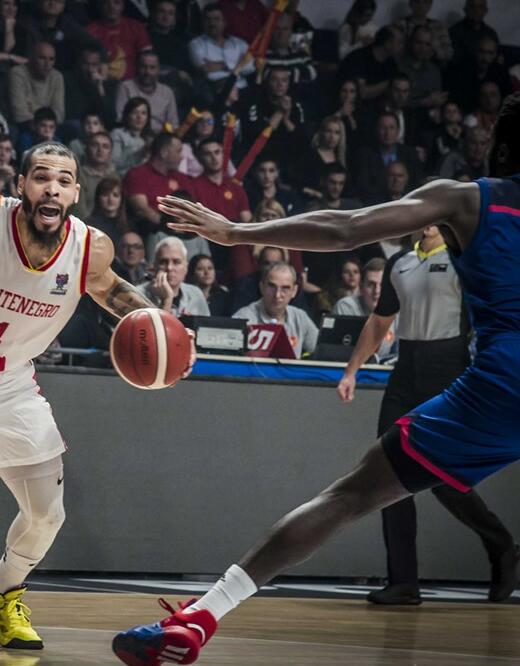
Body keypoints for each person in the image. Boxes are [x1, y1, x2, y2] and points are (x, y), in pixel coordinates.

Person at [112, 91, 520, 666]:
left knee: (349, 496)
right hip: (468, 371)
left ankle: (200, 617)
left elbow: (347, 228)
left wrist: (236, 233)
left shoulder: (467, 199)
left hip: (502, 384)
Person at [0, 142, 179, 651]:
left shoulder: (90, 248)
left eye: (64, 181)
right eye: (42, 177)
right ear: (22, 184)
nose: (52, 189)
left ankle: (0, 590)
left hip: (10, 383)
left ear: (76, 192)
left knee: (47, 515)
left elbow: (114, 292)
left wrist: (163, 324)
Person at [338, 228, 518, 605]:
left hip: (449, 365)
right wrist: (351, 370)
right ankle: (403, 581)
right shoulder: (399, 262)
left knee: (444, 479)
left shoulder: (463, 259)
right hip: (406, 369)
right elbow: (380, 321)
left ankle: (501, 544)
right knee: (386, 469)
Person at [232, 261, 318, 357]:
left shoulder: (300, 317)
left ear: (294, 291)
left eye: (285, 288)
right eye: (272, 287)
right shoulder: (243, 318)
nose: (277, 295)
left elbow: (321, 351)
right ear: (261, 287)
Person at [137, 236, 209, 317]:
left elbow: (206, 325)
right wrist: (166, 300)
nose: (169, 268)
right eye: (163, 262)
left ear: (186, 267)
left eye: (176, 262)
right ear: (154, 266)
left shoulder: (196, 294)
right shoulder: (138, 295)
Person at [114, 50, 178, 134]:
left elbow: (173, 125)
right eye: (143, 67)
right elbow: (120, 119)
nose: (147, 72)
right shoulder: (126, 87)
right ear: (137, 67)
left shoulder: (167, 92)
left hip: (160, 138)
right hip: (133, 135)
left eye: (152, 67)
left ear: (158, 69)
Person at [8, 41, 64, 129]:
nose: (47, 64)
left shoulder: (57, 76)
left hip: (51, 127)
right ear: (32, 58)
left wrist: (32, 108)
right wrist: (42, 124)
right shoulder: (17, 73)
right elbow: (19, 113)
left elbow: (59, 113)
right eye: (42, 58)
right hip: (25, 126)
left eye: (51, 59)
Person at [110, 97, 152, 176]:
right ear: (127, 115)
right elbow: (114, 163)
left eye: (143, 113)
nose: (139, 117)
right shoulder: (118, 134)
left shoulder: (149, 139)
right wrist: (141, 153)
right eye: (135, 112)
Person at [85, 176, 128, 246]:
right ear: (98, 198)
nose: (110, 199)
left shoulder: (130, 226)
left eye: (115, 195)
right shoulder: (88, 225)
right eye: (105, 195)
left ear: (121, 198)